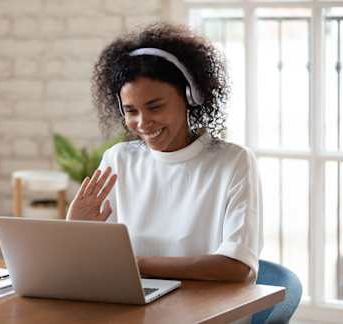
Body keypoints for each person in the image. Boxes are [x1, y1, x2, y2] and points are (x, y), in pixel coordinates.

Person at [66, 23, 262, 285]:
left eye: (155, 107)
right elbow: (94, 263)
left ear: (190, 97)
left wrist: (138, 265)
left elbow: (237, 267)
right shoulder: (118, 159)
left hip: (207, 307)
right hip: (135, 300)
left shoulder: (233, 162)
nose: (143, 122)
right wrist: (76, 230)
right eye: (131, 111)